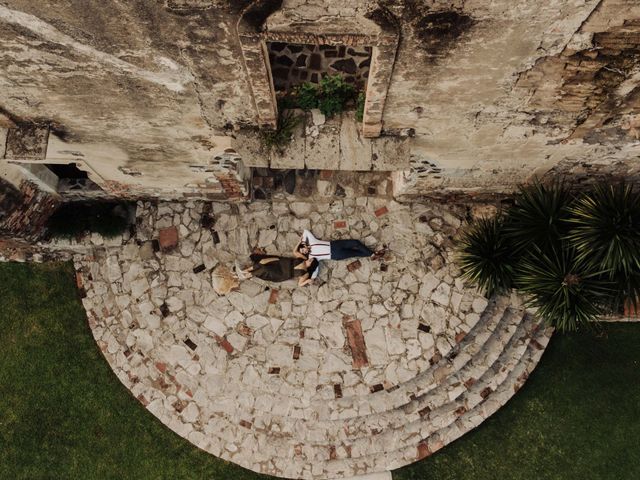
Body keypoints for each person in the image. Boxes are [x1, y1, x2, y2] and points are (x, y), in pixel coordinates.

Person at [293, 229, 385, 265]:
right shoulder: (311, 256)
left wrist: (301, 242)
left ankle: (373, 255)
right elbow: (307, 264)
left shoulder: (312, 242)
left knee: (355, 242)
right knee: (356, 253)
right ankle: (373, 255)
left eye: (302, 249)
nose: (304, 251)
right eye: (303, 252)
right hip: (336, 255)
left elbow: (305, 232)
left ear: (304, 246)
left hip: (335, 245)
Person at [239, 253, 318, 287]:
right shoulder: (303, 259)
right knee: (263, 262)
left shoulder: (306, 274)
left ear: (311, 265)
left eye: (311, 260)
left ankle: (247, 275)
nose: (309, 259)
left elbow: (300, 284)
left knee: (265, 269)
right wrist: (300, 241)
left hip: (281, 273)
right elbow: (295, 251)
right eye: (310, 259)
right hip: (280, 263)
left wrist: (308, 281)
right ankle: (246, 271)